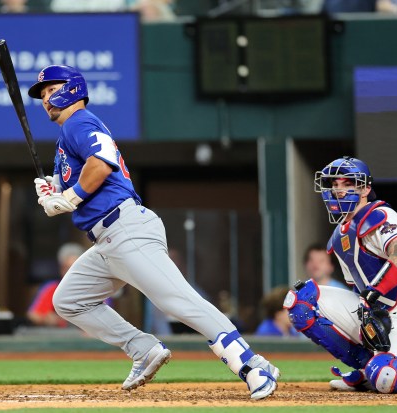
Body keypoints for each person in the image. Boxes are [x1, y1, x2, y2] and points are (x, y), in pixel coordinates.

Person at [27, 65, 279, 399]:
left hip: (125, 227)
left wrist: (68, 198)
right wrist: (53, 189)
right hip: (107, 240)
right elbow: (77, 177)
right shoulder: (67, 137)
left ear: (72, 89)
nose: (46, 99)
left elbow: (100, 163)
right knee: (69, 300)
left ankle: (251, 364)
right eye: (42, 95)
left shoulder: (79, 121)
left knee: (176, 301)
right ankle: (142, 348)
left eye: (50, 90)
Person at [285, 156, 397, 393]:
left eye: (348, 184)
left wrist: (372, 297)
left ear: (365, 188)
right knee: (300, 301)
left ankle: (376, 370)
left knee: (387, 375)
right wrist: (367, 313)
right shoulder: (339, 237)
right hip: (381, 313)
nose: (339, 191)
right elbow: (357, 290)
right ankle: (366, 368)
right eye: (335, 185)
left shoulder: (381, 215)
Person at [27, 242, 86, 327]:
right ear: (61, 269)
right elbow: (33, 315)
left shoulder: (95, 290)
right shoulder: (52, 288)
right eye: (67, 268)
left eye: (75, 268)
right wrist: (45, 318)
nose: (71, 273)